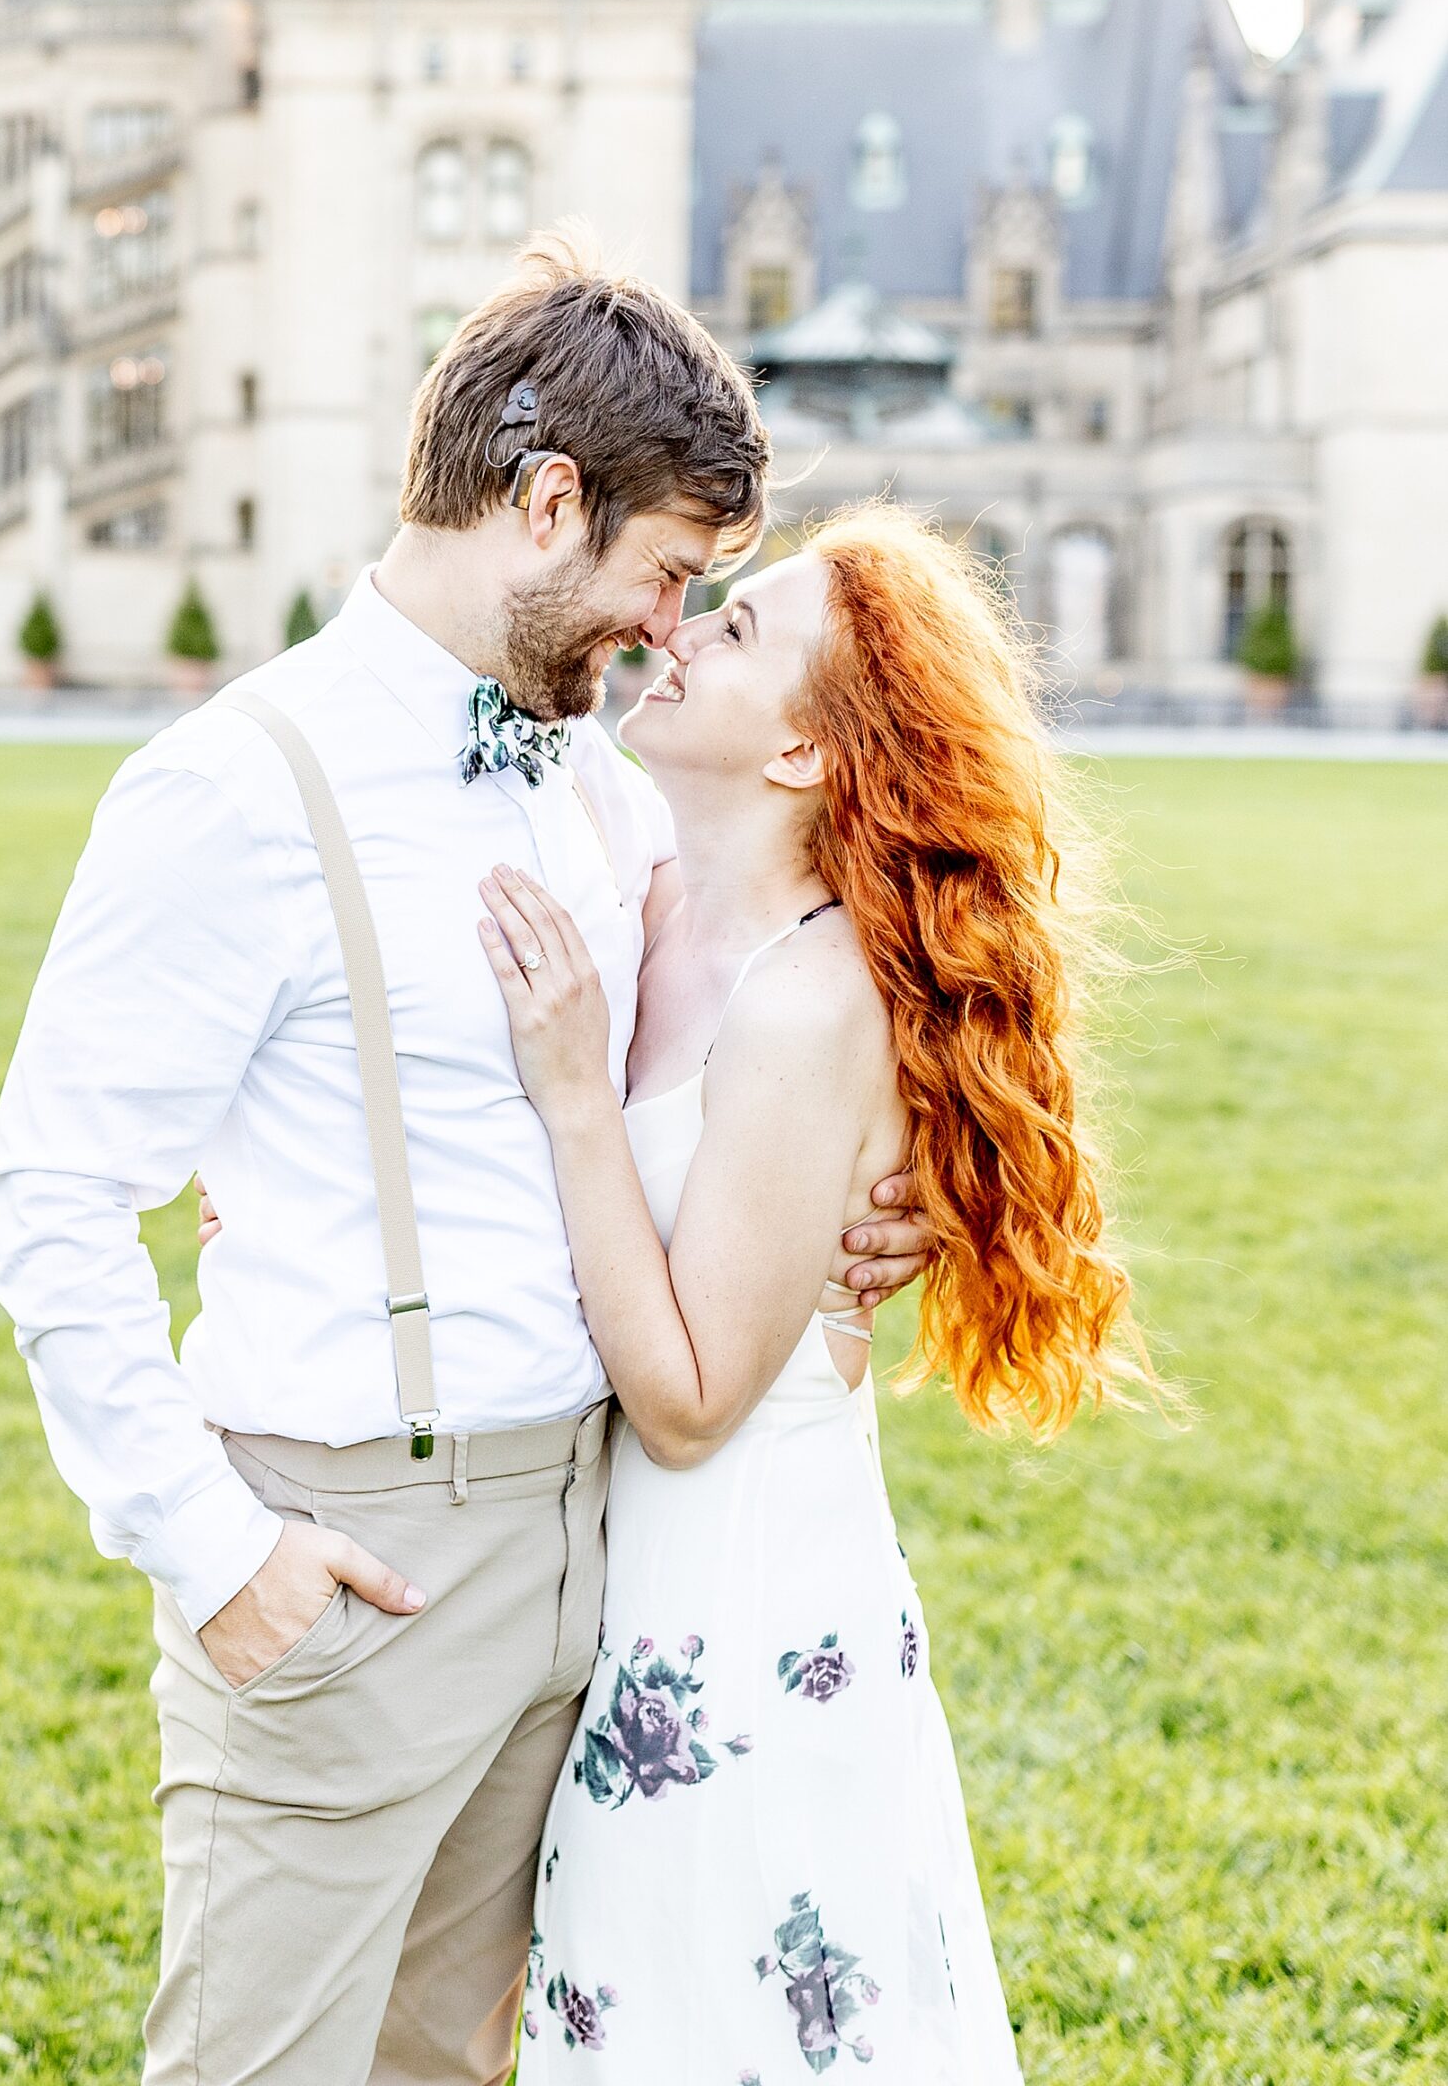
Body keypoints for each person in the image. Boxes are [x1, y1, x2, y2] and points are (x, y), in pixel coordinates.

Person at [0, 235, 929, 2086]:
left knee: (446, 2069)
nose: (671, 630)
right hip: (349, 1552)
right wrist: (213, 1544)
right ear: (544, 500)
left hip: (592, 1556)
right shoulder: (232, 789)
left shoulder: (590, 776)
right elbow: (52, 1195)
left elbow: (717, 1059)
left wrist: (851, 1221)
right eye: (664, 574)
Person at [465, 503, 1162, 2082]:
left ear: (800, 757)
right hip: (614, 1587)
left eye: (737, 628)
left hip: (736, 1611)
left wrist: (579, 1095)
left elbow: (697, 1400)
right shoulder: (640, 898)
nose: (682, 628)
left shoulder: (808, 997)